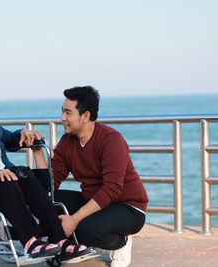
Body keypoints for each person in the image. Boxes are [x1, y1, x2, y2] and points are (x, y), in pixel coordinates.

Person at [0, 80, 90, 261]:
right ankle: (30, 242)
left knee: (29, 180)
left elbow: (11, 138)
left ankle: (59, 240)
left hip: (2, 179)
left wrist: (23, 133)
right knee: (9, 182)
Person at [52, 86, 149, 267]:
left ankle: (122, 241)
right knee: (47, 201)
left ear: (85, 116)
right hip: (94, 202)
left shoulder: (111, 139)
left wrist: (74, 219)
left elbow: (111, 189)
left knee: (85, 230)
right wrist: (37, 151)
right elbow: (51, 182)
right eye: (62, 112)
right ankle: (70, 245)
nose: (62, 118)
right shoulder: (67, 141)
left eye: (68, 113)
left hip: (127, 207)